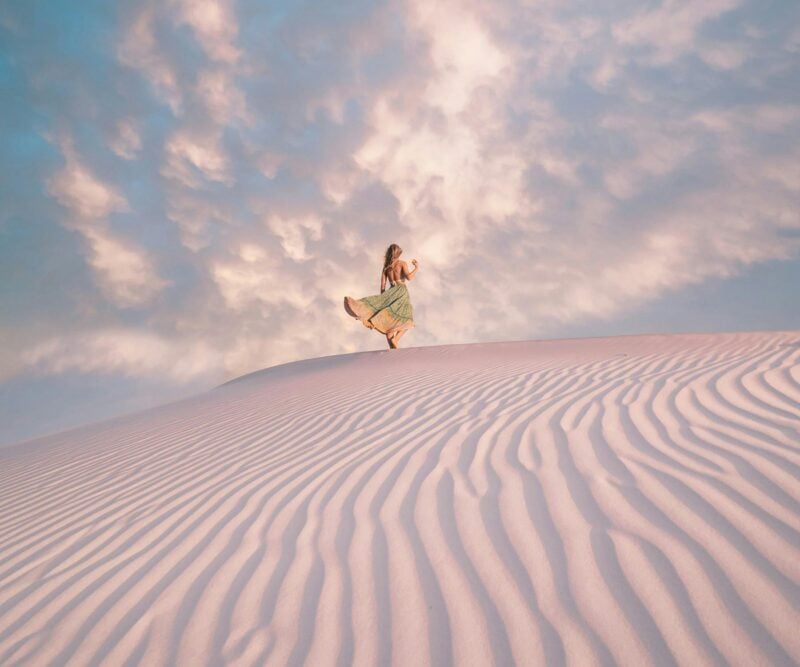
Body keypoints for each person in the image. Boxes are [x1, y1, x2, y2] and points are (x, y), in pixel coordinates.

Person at [344, 243, 419, 349]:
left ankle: (393, 347)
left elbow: (383, 285)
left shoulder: (386, 267)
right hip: (401, 290)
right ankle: (396, 339)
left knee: (390, 320)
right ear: (398, 254)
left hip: (391, 291)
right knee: (408, 319)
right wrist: (416, 267)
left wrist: (383, 299)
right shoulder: (402, 263)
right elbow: (409, 277)